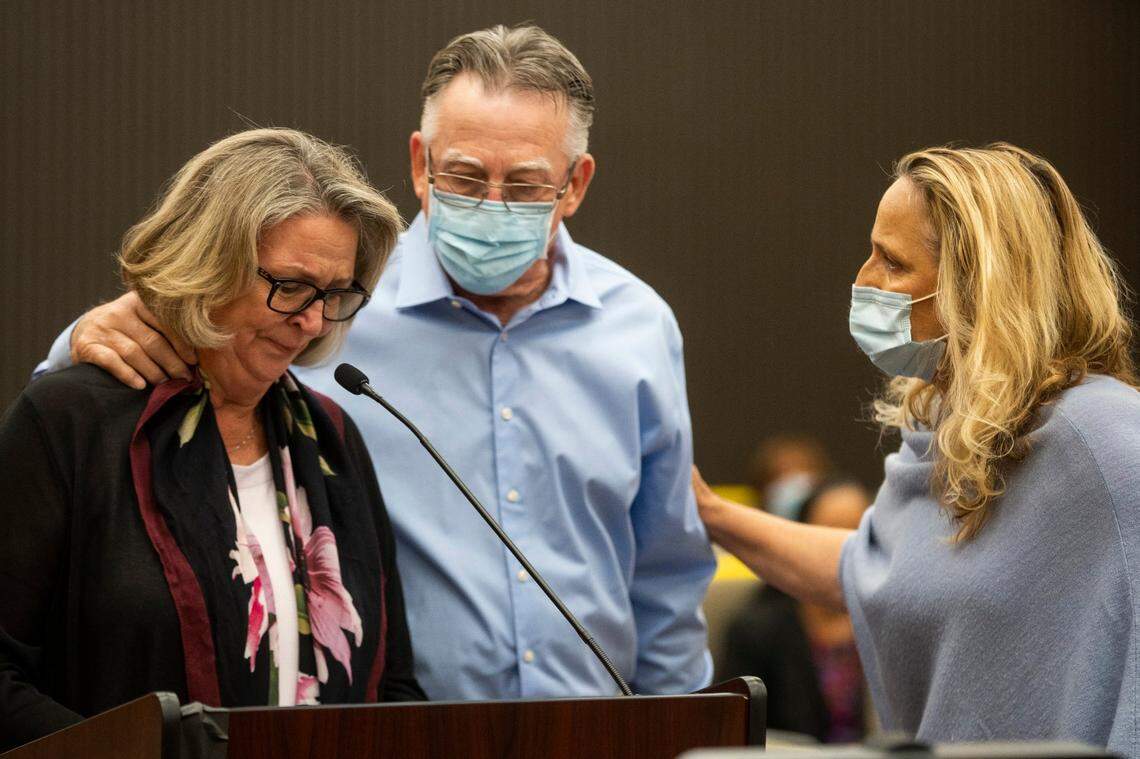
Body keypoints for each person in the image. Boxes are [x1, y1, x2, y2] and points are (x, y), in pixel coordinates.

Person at [36, 24, 716, 700]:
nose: (491, 203)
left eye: (527, 184)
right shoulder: (333, 303)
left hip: (597, 734)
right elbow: (176, 357)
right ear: (419, 163)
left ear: (576, 184)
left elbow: (665, 575)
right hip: (406, 730)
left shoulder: (638, 326)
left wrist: (683, 731)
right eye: (465, 175)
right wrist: (91, 336)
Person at [693, 144, 1139, 754]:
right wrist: (709, 512)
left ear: (981, 288)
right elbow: (872, 569)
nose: (863, 280)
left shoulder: (1104, 435)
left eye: (892, 262)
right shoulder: (945, 433)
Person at [1, 128, 426, 750]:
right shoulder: (71, 421)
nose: (311, 320)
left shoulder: (332, 437)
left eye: (334, 294)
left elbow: (394, 683)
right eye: (289, 286)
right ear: (209, 264)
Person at [719, 434, 869, 742]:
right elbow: (732, 734)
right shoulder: (756, 631)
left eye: (859, 533)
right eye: (831, 534)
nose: (844, 549)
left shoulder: (897, 623)